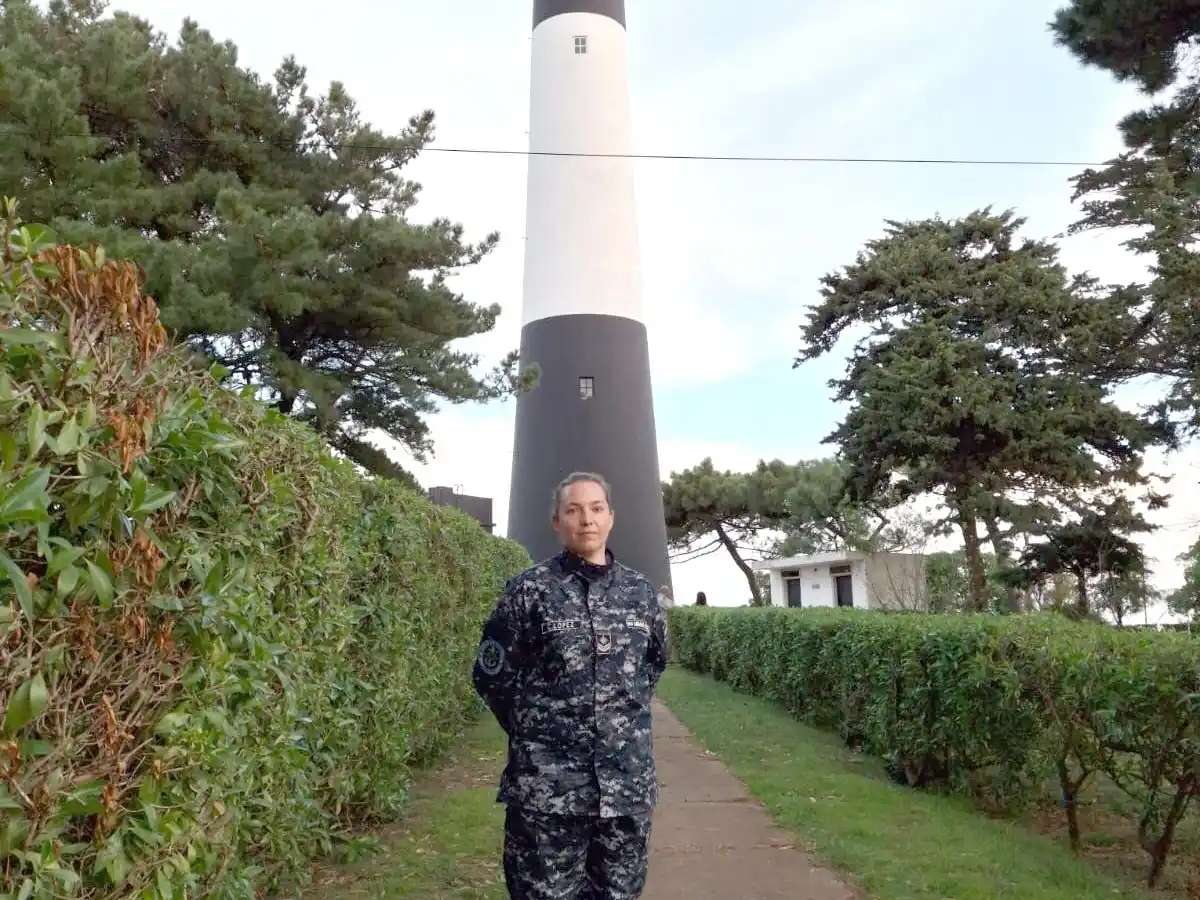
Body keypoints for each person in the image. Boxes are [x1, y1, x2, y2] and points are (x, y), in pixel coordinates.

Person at [472, 472, 669, 900]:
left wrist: (617, 725)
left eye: (596, 508)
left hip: (625, 788)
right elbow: (492, 675)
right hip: (548, 793)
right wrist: (536, 732)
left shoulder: (641, 594)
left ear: (611, 517)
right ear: (557, 522)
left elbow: (652, 667)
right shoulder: (528, 591)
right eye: (574, 510)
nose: (587, 519)